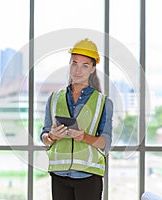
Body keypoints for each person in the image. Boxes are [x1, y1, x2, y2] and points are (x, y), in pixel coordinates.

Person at [40, 38, 113, 200]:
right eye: (74, 63)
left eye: (85, 65)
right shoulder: (54, 98)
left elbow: (106, 143)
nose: (77, 70)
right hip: (59, 175)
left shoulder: (103, 102)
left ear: (93, 69)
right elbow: (44, 137)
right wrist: (52, 136)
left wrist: (84, 137)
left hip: (88, 176)